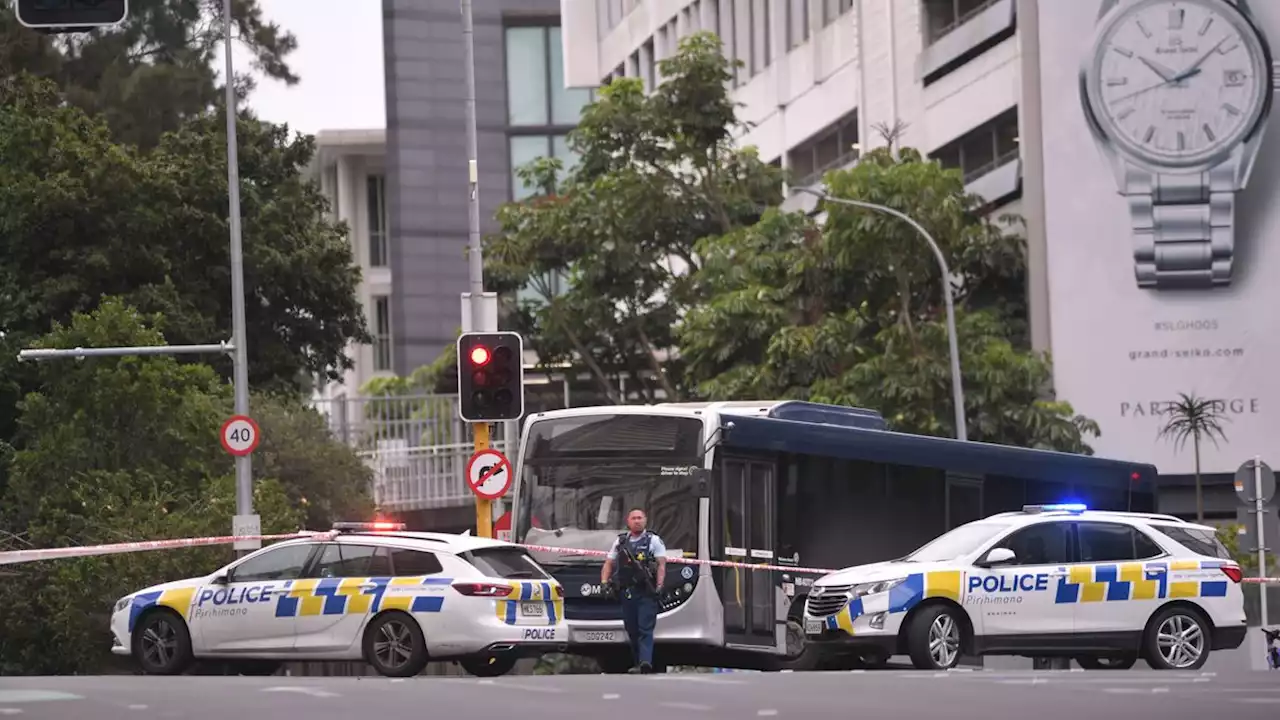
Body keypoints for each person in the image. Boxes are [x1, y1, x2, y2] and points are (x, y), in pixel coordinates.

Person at [601, 508, 666, 673]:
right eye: (634, 518)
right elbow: (609, 563)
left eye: (640, 518)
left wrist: (659, 586)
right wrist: (604, 582)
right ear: (628, 521)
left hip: (646, 591)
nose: (637, 521)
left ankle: (645, 662)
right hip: (627, 591)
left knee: (645, 628)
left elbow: (661, 565)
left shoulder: (653, 540)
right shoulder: (621, 542)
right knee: (632, 628)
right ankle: (638, 662)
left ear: (645, 520)